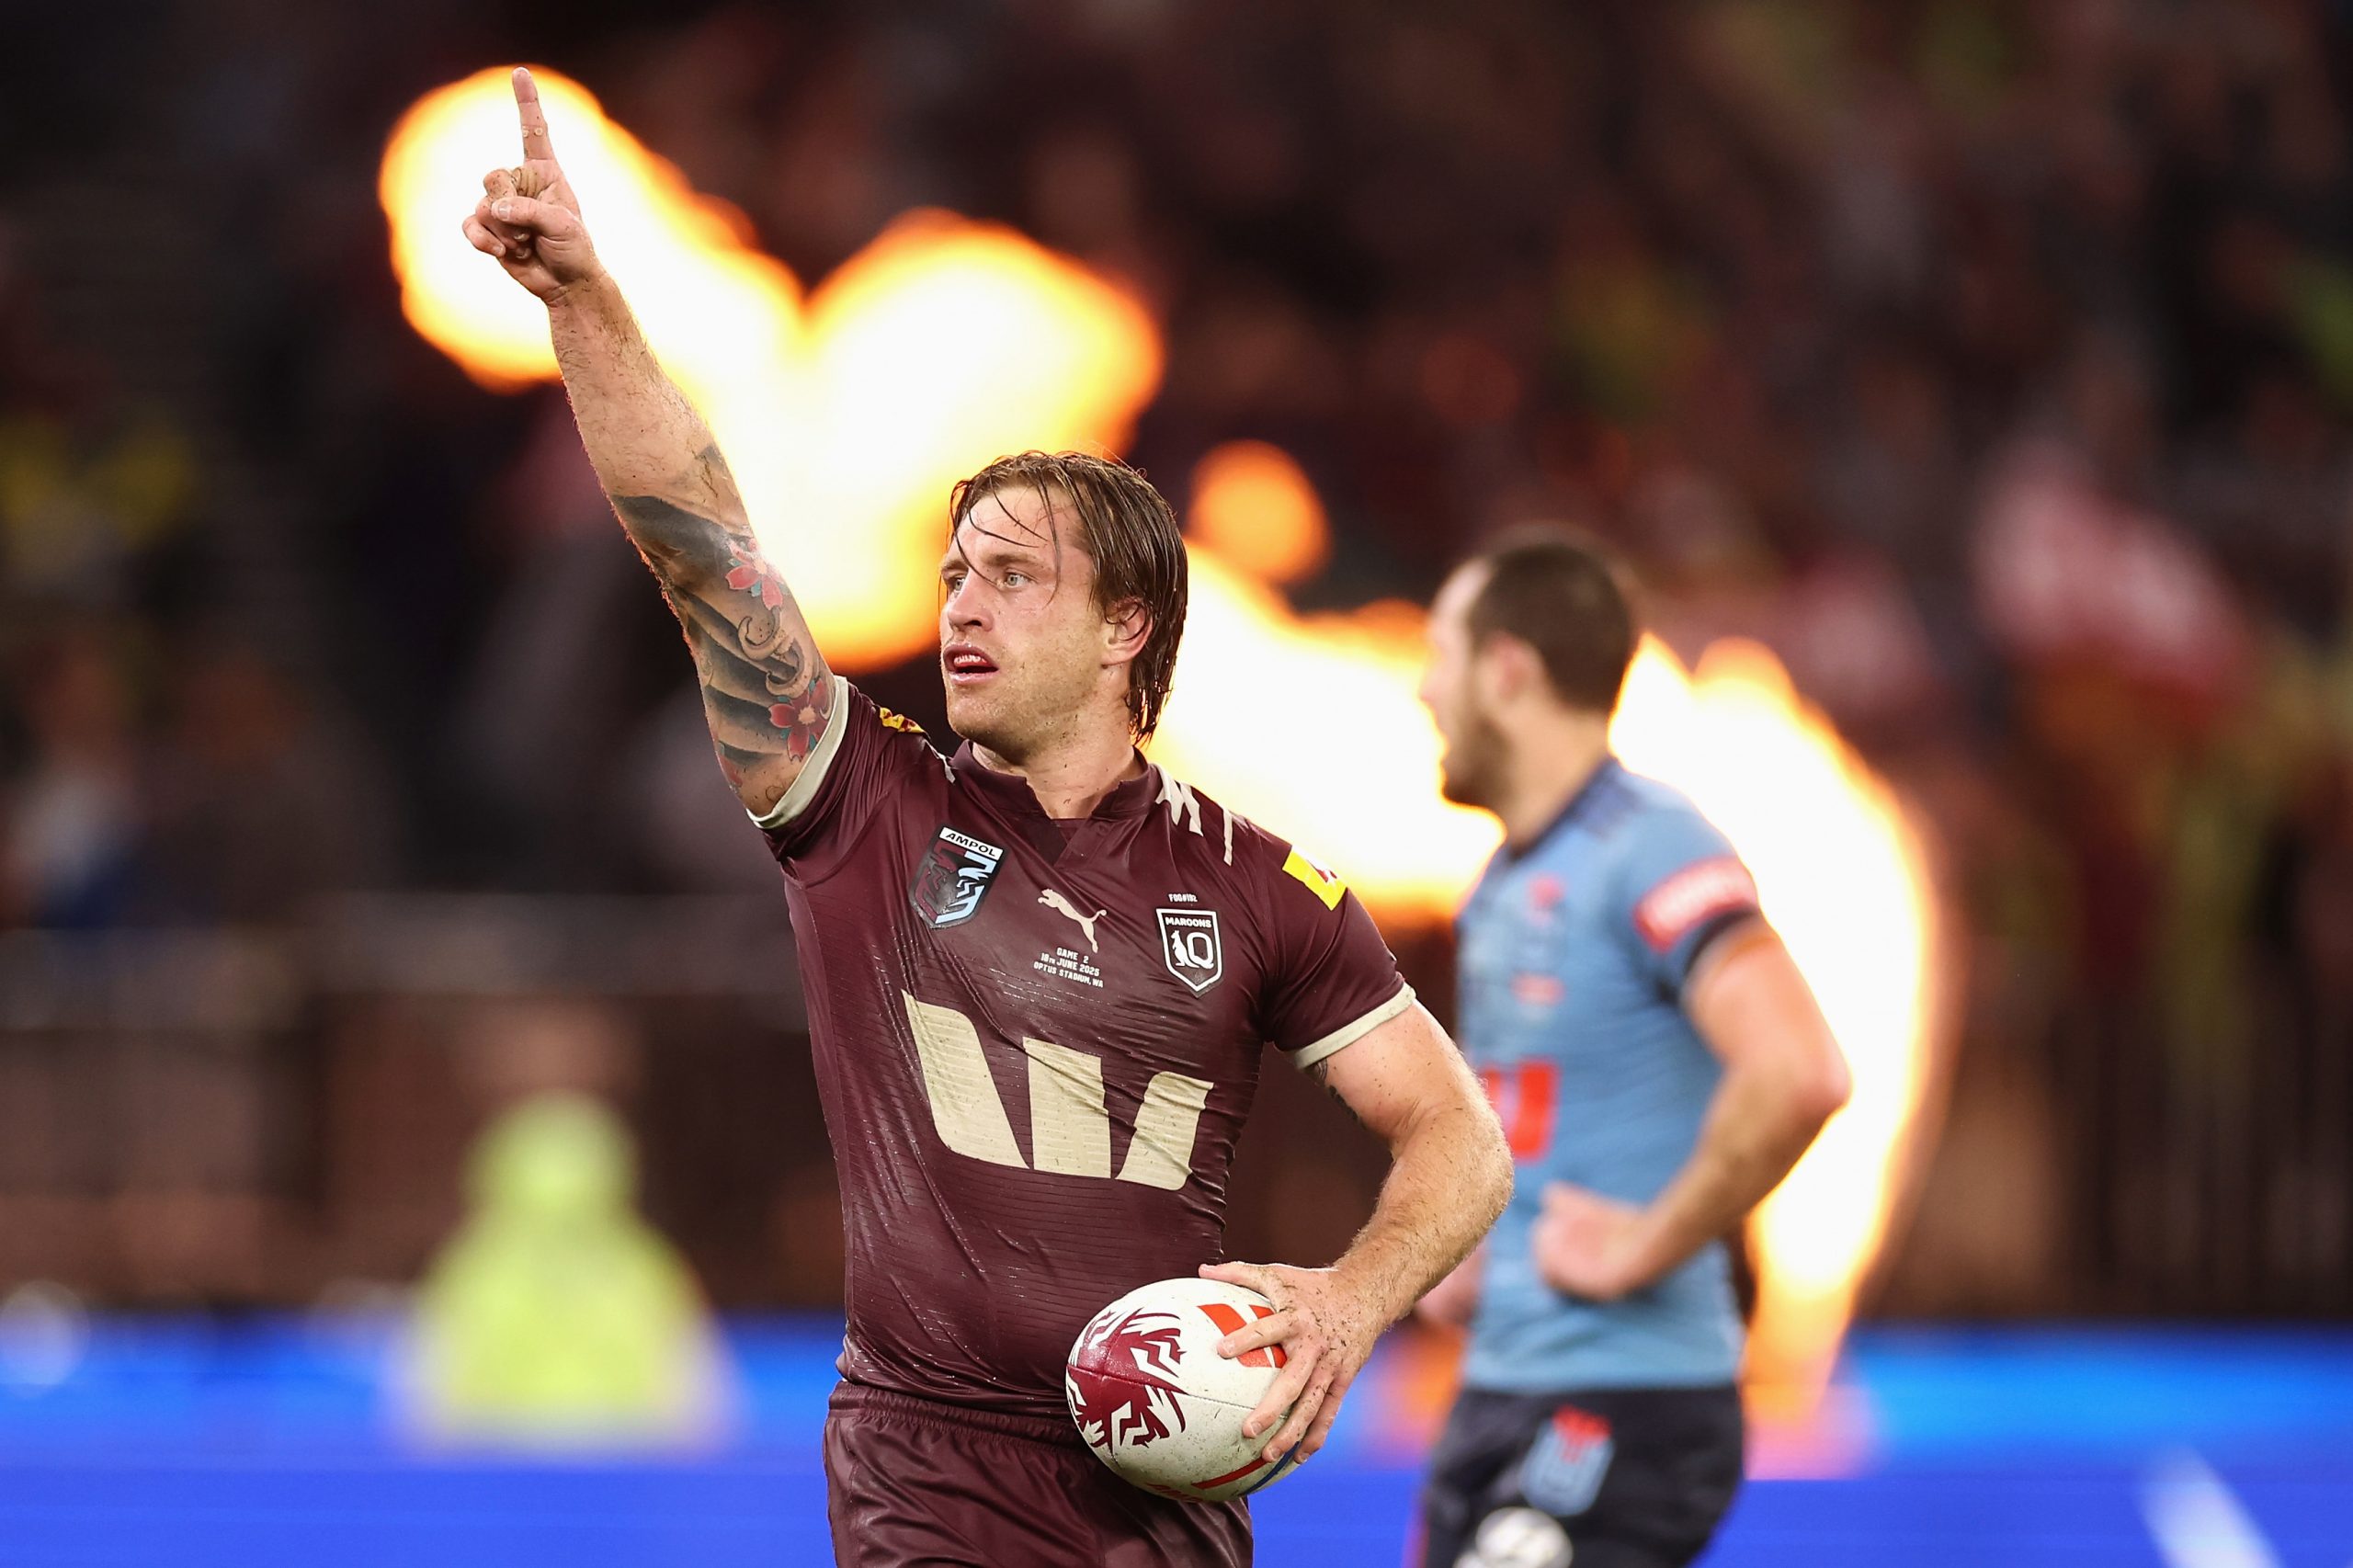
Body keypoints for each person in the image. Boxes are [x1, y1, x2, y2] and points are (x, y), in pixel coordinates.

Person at [461, 68, 1512, 1567]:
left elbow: (1460, 1139)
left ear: (1125, 626)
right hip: (926, 1495)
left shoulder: (1263, 885)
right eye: (954, 573)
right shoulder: (863, 805)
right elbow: (702, 550)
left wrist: (1348, 1306)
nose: (959, 606)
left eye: (1012, 577)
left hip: (1166, 1512)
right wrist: (583, 300)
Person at [1410, 531, 1851, 1568]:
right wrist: (1471, 1244)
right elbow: (1541, 1114)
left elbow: (1800, 1069)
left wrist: (1648, 1240)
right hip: (1502, 1387)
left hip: (1625, 1395)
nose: (1424, 690)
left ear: (1506, 671)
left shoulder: (1649, 841)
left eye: (1439, 655)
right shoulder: (1503, 881)